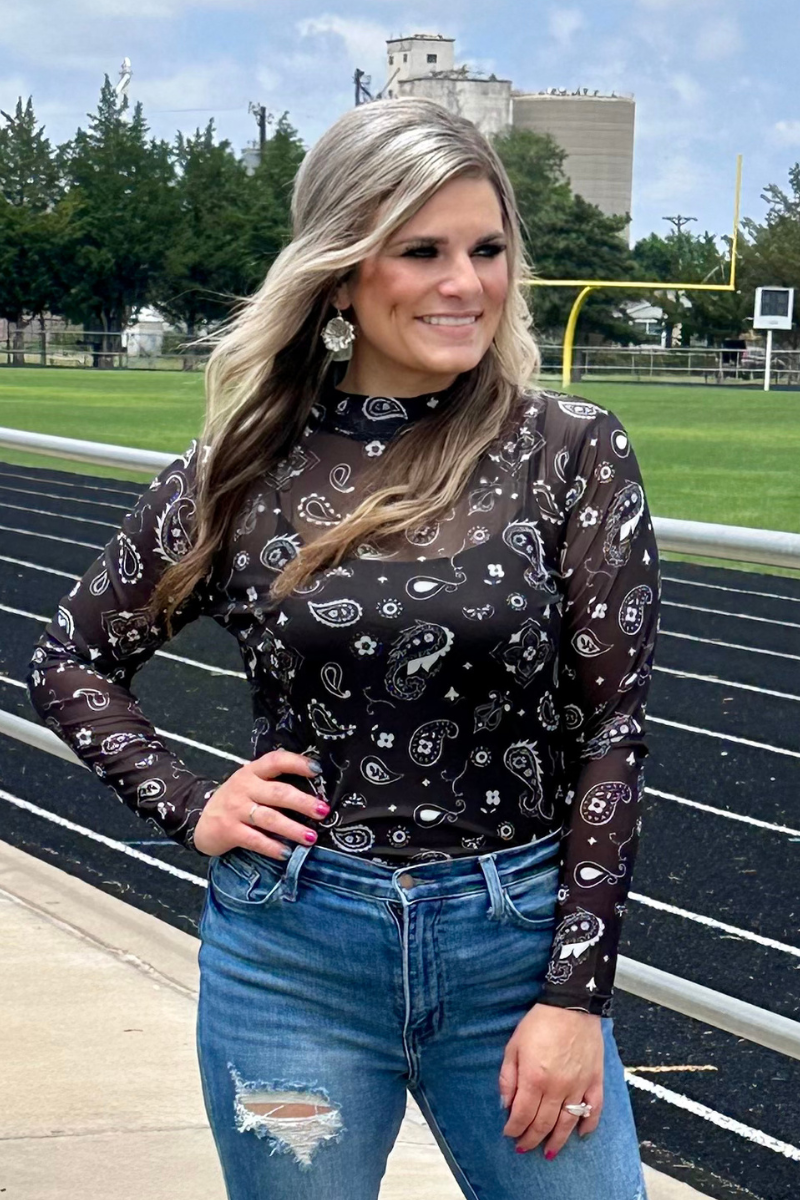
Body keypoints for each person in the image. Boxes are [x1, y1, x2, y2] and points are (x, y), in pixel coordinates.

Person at [26, 96, 660, 1199]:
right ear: (338, 272)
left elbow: (612, 729)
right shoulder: (244, 466)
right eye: (421, 251)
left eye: (486, 250)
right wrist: (190, 802)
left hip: (514, 954)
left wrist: (574, 997)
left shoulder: (569, 450)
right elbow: (70, 659)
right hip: (291, 960)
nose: (464, 283)